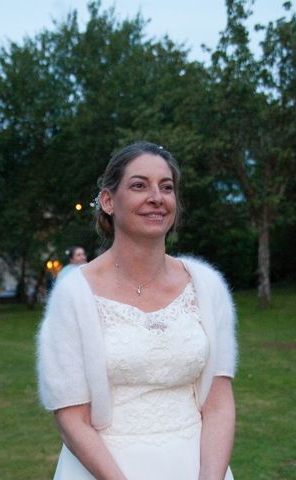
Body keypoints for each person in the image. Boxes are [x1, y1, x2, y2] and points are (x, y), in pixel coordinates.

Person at [37, 141, 237, 479]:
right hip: (103, 469)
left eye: (167, 187)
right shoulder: (73, 295)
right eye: (139, 185)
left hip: (196, 465)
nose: (156, 197)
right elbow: (71, 417)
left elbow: (218, 401)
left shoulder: (206, 286)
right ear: (108, 201)